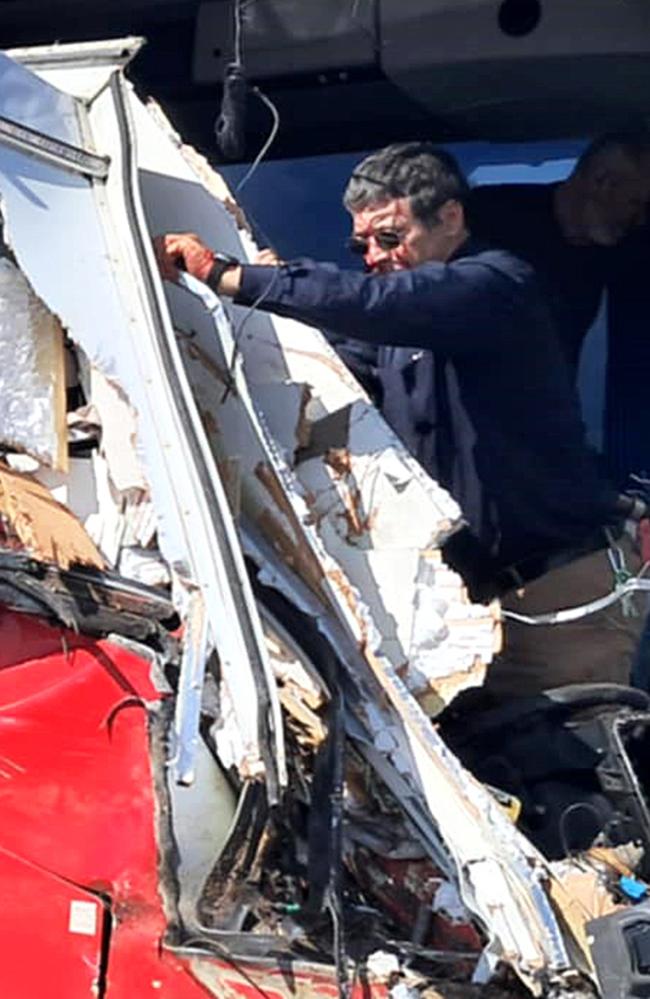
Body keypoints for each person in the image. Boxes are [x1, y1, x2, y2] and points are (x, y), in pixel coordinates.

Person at [155, 141, 645, 696]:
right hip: (462, 603)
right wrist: (263, 302)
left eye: (390, 237)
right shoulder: (401, 329)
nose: (374, 256)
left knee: (569, 765)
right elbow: (339, 349)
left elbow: (374, 303)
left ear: (451, 219)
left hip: (561, 594)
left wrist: (230, 274)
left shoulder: (496, 285)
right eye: (360, 243)